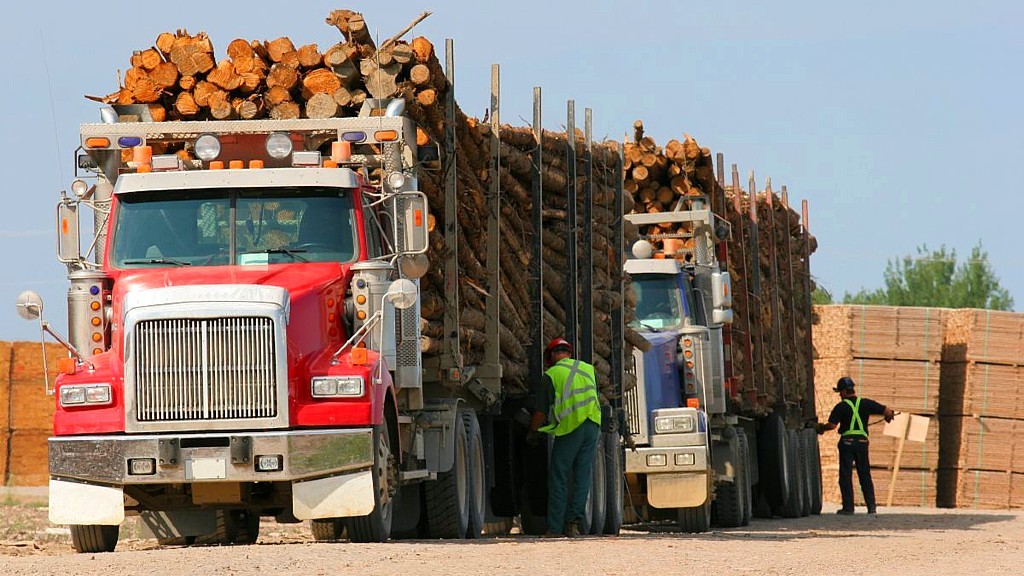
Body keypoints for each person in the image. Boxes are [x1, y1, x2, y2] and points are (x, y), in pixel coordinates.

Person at [528, 337, 602, 537]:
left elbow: (541, 413)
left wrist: (533, 431)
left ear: (552, 356)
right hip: (593, 423)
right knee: (582, 475)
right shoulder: (587, 368)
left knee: (558, 476)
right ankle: (573, 523)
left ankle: (554, 527)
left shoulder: (551, 375)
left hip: (573, 426)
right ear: (569, 353)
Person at [816, 376, 895, 515]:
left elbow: (832, 425)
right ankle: (871, 507)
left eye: (840, 392)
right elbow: (888, 411)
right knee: (864, 474)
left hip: (847, 443)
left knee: (845, 475)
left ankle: (848, 508)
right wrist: (888, 417)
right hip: (862, 443)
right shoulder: (866, 403)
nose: (840, 395)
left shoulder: (841, 407)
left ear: (845, 391)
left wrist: (821, 428)